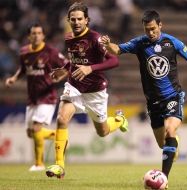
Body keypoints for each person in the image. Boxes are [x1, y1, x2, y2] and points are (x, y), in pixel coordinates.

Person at [100, 10, 187, 183]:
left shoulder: (172, 42)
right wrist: (109, 45)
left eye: (153, 29)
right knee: (163, 144)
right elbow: (117, 50)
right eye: (147, 29)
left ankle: (163, 179)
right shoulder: (140, 43)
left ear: (160, 25)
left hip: (172, 96)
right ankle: (172, 142)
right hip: (153, 102)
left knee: (170, 129)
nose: (151, 33)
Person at [45, 2, 128, 179]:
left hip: (95, 91)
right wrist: (64, 69)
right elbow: (75, 60)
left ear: (87, 20)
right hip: (74, 86)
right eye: (73, 19)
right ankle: (59, 165)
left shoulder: (95, 38)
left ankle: (119, 120)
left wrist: (91, 68)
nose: (76, 22)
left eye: (79, 19)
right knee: (61, 118)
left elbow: (114, 61)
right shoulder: (68, 37)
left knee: (103, 132)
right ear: (68, 20)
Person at [5, 23, 69, 171]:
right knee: (31, 133)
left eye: (39, 33)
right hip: (32, 98)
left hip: (47, 97)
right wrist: (14, 78)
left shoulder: (50, 52)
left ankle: (39, 164)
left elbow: (67, 65)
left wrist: (60, 77)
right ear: (29, 36)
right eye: (33, 33)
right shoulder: (24, 52)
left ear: (43, 35)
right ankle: (57, 135)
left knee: (36, 127)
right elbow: (23, 68)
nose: (36, 36)